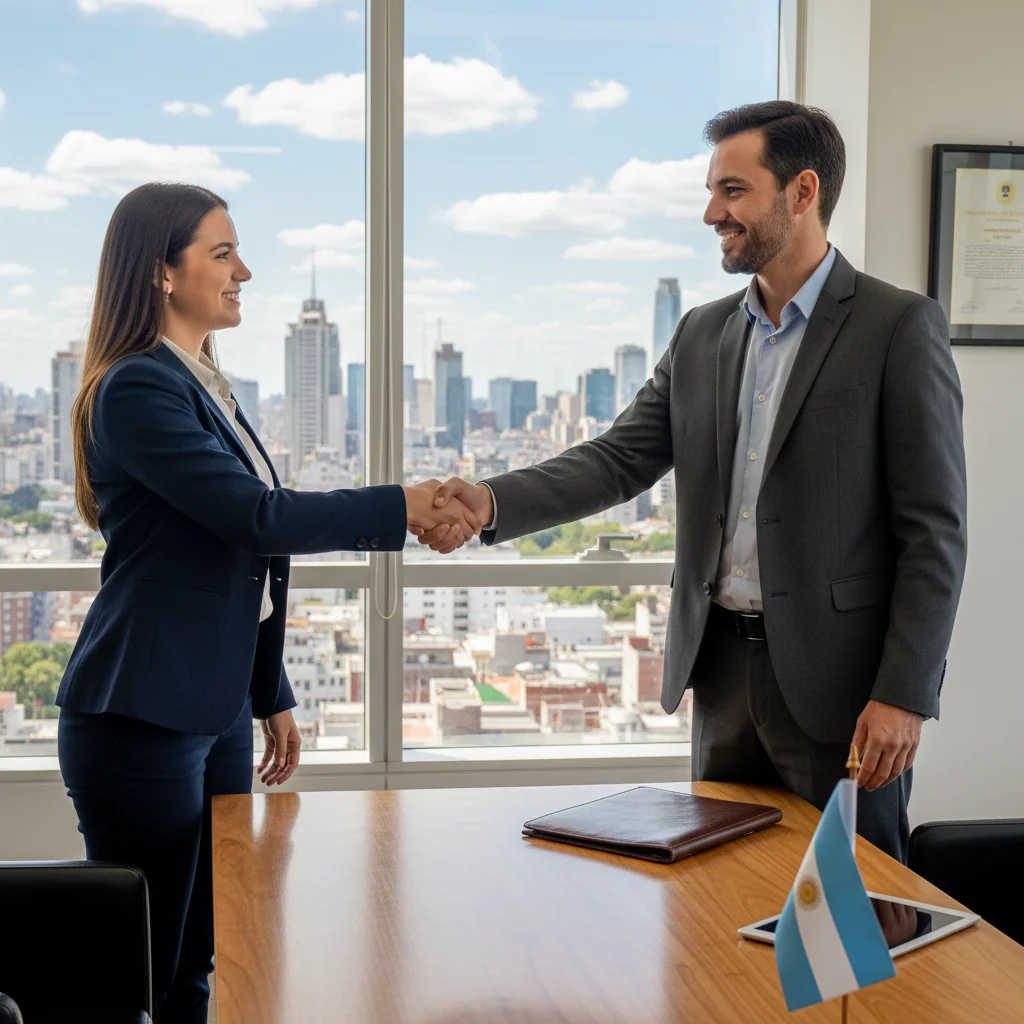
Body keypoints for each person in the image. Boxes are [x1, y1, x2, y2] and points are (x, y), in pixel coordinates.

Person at [420, 101, 968, 863]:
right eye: (713, 191)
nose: (712, 212)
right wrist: (488, 502)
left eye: (733, 191)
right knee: (721, 900)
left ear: (802, 192)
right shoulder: (703, 332)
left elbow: (933, 533)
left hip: (841, 688)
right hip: (719, 676)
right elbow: (620, 459)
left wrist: (905, 693)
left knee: (853, 918)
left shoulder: (897, 326)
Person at [56, 182, 478, 1024]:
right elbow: (255, 519)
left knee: (204, 953)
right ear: (162, 273)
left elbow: (239, 561)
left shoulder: (204, 383)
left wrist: (268, 692)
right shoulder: (139, 389)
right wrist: (403, 503)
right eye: (221, 253)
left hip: (206, 709)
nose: (243, 270)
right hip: (140, 712)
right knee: (143, 972)